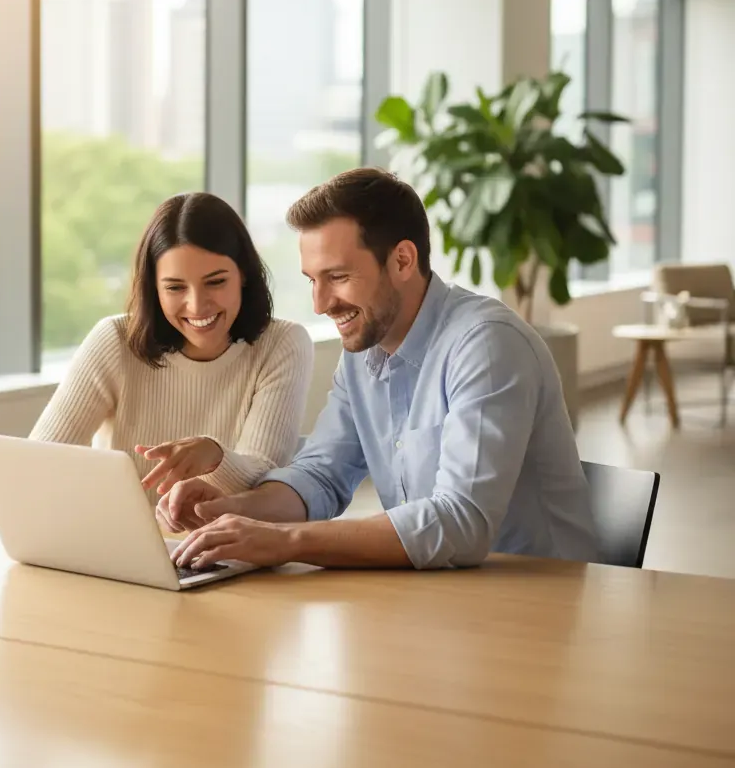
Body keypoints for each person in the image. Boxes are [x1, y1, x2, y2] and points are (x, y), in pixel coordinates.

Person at [164, 168, 597, 572]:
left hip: (540, 598)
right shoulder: (364, 350)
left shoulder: (487, 344)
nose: (321, 304)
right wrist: (230, 511)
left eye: (338, 276)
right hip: (438, 597)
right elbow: (321, 474)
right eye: (313, 280)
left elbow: (462, 522)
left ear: (404, 260)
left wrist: (289, 541)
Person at [31, 192, 313, 501]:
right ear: (154, 288)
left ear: (243, 274)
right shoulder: (114, 339)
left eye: (215, 282)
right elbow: (40, 461)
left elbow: (265, 480)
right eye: (175, 287)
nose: (197, 305)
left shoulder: (283, 344)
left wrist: (215, 456)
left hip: (230, 545)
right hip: (119, 542)